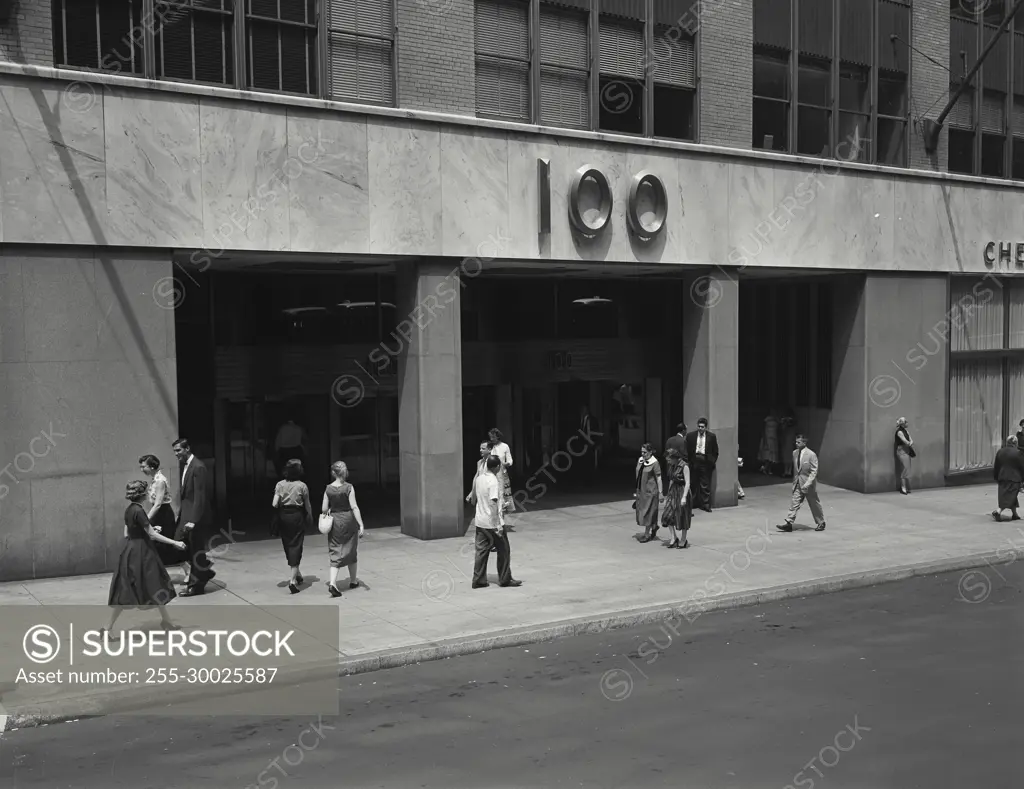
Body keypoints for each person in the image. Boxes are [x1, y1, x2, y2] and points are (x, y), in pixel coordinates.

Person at [104, 480, 187, 640]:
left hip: (131, 551)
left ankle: (167, 621)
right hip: (143, 553)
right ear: (142, 494)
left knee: (140, 587)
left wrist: (148, 529)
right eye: (147, 491)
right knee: (154, 584)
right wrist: (175, 542)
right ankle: (107, 628)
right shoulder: (140, 511)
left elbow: (127, 534)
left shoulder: (129, 510)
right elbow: (151, 535)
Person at [172, 438, 215, 596]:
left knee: (196, 549)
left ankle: (196, 586)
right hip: (187, 514)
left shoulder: (198, 467)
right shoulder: (187, 465)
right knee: (179, 543)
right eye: (175, 451)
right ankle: (204, 570)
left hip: (195, 517)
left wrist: (193, 520)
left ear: (187, 448)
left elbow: (200, 496)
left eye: (179, 450)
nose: (176, 454)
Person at [471, 455, 522, 588]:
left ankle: (478, 580)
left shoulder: (480, 478)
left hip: (480, 520)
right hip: (491, 522)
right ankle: (505, 579)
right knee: (504, 550)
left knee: (481, 552)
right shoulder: (493, 481)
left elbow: (475, 499)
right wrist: (497, 525)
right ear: (497, 467)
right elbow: (493, 503)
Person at [323, 461, 366, 598]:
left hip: (335, 521)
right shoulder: (349, 487)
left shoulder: (328, 489)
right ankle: (353, 581)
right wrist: (361, 524)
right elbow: (354, 507)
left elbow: (324, 509)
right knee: (351, 549)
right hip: (348, 520)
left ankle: (332, 583)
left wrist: (331, 509)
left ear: (333, 473)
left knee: (335, 549)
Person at [273, 458, 312, 594]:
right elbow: (307, 505)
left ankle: (298, 574)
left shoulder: (280, 484)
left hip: (283, 515)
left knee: (288, 544)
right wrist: (310, 516)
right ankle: (292, 581)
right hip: (297, 516)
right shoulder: (302, 486)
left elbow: (274, 503)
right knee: (296, 545)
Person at [139, 454, 181, 571]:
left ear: (152, 467)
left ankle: (187, 570)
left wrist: (146, 519)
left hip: (163, 514)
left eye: (144, 467)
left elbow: (158, 504)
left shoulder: (159, 481)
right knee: (157, 545)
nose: (142, 470)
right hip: (158, 513)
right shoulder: (155, 479)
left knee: (167, 544)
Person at [776, 434, 826, 532]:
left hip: (808, 484)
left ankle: (821, 522)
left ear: (804, 442)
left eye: (798, 442)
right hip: (798, 483)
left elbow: (814, 471)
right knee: (794, 503)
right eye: (796, 442)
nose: (796, 444)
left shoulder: (811, 454)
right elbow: (796, 470)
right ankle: (789, 523)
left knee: (814, 504)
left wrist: (807, 484)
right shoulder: (795, 453)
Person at [686, 418, 719, 512]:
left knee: (705, 484)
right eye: (699, 426)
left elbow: (715, 451)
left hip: (705, 462)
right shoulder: (691, 436)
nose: (700, 428)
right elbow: (687, 450)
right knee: (693, 483)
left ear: (706, 427)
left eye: (702, 427)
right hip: (694, 461)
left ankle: (705, 504)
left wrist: (712, 461)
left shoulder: (711, 436)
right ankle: (692, 503)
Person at [661, 447, 691, 549]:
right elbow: (671, 480)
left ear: (674, 457)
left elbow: (687, 483)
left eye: (669, 459)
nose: (668, 461)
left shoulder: (684, 466)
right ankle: (673, 537)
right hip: (673, 491)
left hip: (682, 490)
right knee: (667, 515)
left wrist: (684, 497)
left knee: (682, 516)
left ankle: (683, 539)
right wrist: (668, 494)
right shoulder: (672, 466)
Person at [635, 443, 663, 543]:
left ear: (650, 452)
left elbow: (659, 478)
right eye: (642, 452)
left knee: (647, 513)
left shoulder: (655, 463)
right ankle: (654, 526)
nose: (643, 454)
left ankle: (647, 534)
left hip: (650, 492)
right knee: (641, 512)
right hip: (641, 490)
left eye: (645, 452)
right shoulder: (640, 460)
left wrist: (660, 492)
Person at [992, 436, 1024, 522]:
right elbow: (1022, 467)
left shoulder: (1000, 452)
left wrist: (996, 477)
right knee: (1010, 496)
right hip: (1014, 478)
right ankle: (998, 511)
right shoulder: (1018, 453)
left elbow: (996, 466)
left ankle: (1015, 514)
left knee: (1009, 495)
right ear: (1016, 443)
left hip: (1002, 477)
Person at [488, 428, 514, 514]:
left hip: (502, 474)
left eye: (493, 437)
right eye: (490, 437)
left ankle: (502, 519)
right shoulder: (489, 447)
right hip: (491, 474)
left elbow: (510, 460)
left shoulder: (504, 446)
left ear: (498, 437)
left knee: (502, 495)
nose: (491, 439)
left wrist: (507, 463)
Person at [894, 417, 915, 495]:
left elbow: (911, 439)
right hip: (901, 451)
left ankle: (904, 487)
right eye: (906, 422)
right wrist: (909, 443)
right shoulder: (899, 432)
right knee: (905, 468)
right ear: (902, 423)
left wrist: (910, 442)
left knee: (907, 468)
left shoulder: (905, 431)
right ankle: (903, 488)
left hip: (906, 450)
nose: (907, 423)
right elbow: (906, 441)